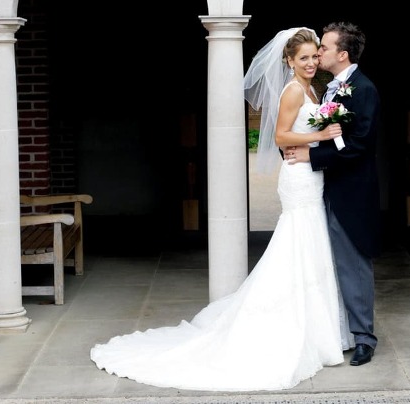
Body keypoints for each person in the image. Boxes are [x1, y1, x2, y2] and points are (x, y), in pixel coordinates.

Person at [89, 27, 353, 391]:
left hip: (312, 175)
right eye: (302, 58)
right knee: (298, 247)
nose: (310, 63)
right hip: (298, 180)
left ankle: (318, 330)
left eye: (313, 56)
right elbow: (279, 137)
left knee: (312, 250)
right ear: (289, 61)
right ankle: (290, 327)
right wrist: (319, 136)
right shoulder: (293, 91)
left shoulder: (314, 89)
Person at [286, 21, 382, 367]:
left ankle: (364, 339)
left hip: (351, 193)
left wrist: (311, 155)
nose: (318, 52)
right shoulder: (330, 89)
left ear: (342, 54)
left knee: (353, 263)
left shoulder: (363, 89)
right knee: (330, 264)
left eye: (323, 48)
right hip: (325, 189)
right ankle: (336, 331)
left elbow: (358, 145)